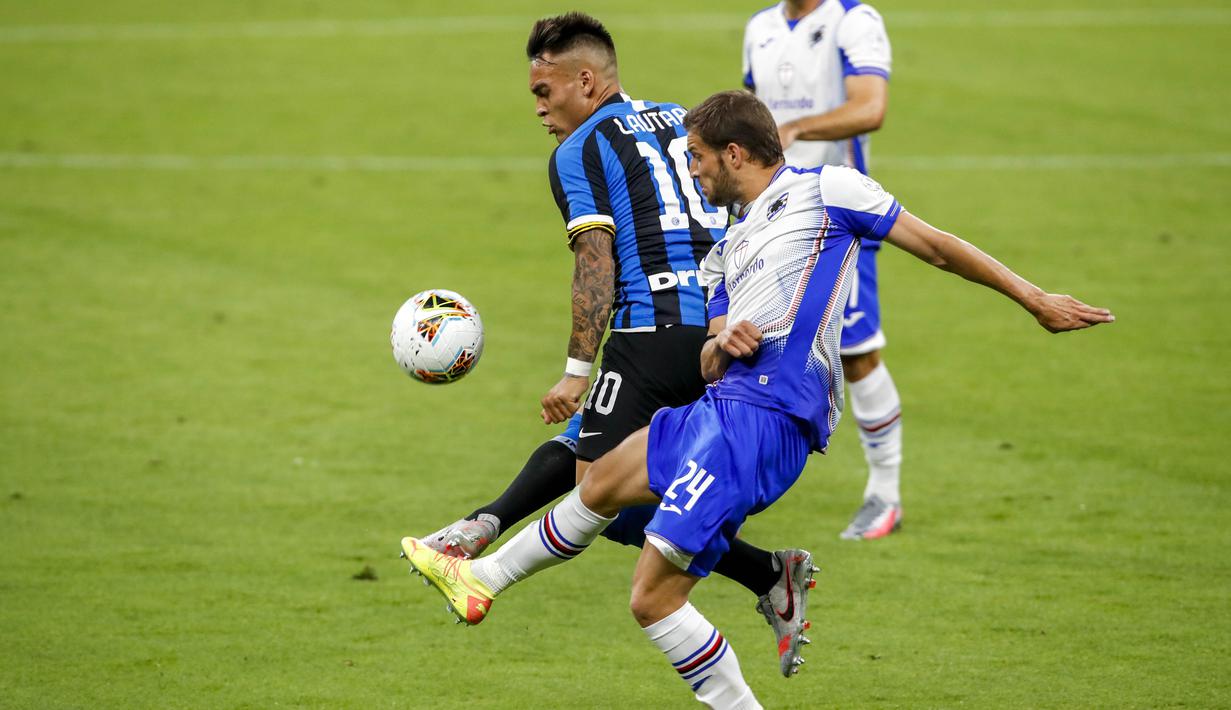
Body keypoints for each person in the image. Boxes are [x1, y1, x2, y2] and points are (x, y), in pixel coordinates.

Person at [400, 90, 1113, 709]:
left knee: (652, 599)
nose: (692, 168)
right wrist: (723, 342)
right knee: (603, 480)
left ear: (735, 153)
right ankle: (482, 581)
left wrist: (1032, 297)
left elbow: (934, 245)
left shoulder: (829, 192)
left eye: (698, 157)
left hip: (771, 418)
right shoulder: (725, 252)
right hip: (724, 404)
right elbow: (710, 358)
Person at [415, 13, 820, 675]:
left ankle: (474, 551)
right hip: (725, 330)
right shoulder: (681, 119)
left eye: (544, 92)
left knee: (594, 489)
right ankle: (473, 533)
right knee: (610, 473)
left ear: (584, 80)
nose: (539, 108)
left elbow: (594, 260)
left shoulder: (577, 151)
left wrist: (577, 368)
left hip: (650, 331)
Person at [743, 0, 905, 539]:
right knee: (749, 345)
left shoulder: (854, 20)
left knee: (857, 353)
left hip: (838, 216)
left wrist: (794, 128)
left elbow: (870, 107)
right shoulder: (760, 28)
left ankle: (885, 494)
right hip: (773, 214)